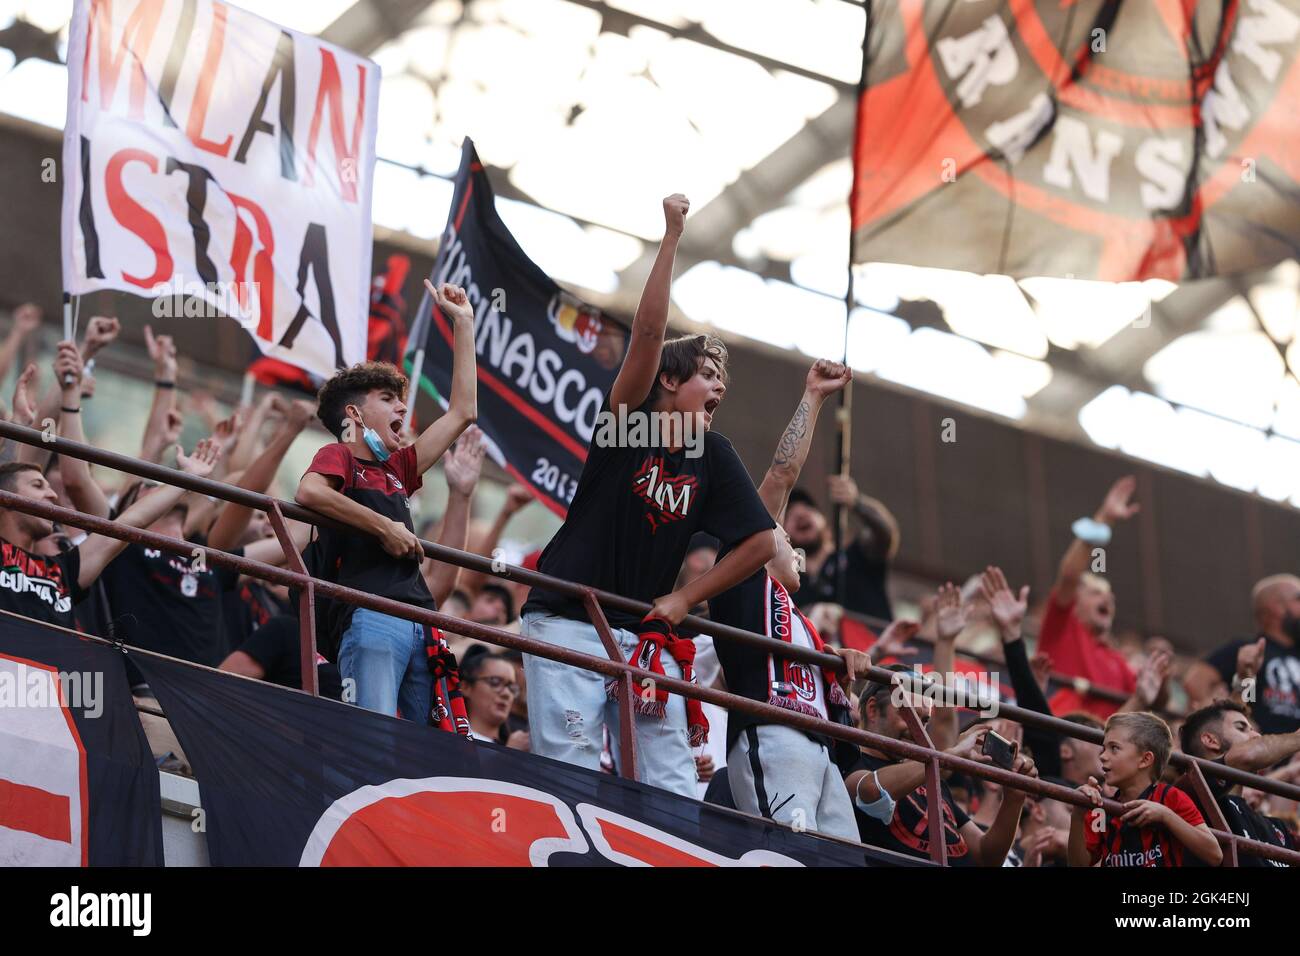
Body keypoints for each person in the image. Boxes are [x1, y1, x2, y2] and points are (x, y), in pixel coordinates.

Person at [520, 194, 777, 796]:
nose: (719, 388)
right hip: (567, 616)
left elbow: (761, 541)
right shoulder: (626, 424)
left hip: (646, 633)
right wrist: (672, 236)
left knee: (673, 781)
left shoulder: (715, 455)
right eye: (707, 375)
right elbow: (649, 331)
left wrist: (686, 598)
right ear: (667, 380)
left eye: (723, 381)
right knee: (573, 765)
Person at [294, 281, 478, 726]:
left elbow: (462, 412)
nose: (403, 408)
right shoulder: (340, 454)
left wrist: (464, 324)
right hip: (371, 618)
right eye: (389, 399)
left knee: (424, 754)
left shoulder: (399, 467)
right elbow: (309, 492)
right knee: (373, 738)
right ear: (354, 416)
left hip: (422, 625)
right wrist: (385, 526)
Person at [711, 358, 869, 839]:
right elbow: (781, 474)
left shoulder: (799, 619)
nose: (797, 550)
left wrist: (836, 664)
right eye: (784, 539)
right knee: (789, 852)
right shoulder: (741, 575)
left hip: (822, 748)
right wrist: (814, 397)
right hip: (773, 734)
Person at [0, 442, 219, 629]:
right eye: (37, 485)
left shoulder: (62, 570)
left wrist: (187, 477)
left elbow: (131, 522)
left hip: (45, 677)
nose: (53, 494)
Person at [842, 664, 1037, 865]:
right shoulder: (850, 759)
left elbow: (986, 856)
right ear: (873, 710)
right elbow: (869, 790)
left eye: (924, 720)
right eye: (907, 714)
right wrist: (948, 758)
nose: (916, 728)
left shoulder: (931, 774)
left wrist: (1014, 799)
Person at [1037, 475, 1139, 718]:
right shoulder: (1062, 629)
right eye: (1096, 593)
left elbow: (1149, 698)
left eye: (1111, 599)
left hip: (1103, 750)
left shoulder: (1119, 661)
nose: (1108, 601)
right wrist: (1104, 519)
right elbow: (1070, 575)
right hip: (1058, 734)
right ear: (1075, 605)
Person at [1068, 712, 1222, 867]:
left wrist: (1166, 816)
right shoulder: (1100, 810)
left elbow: (1214, 854)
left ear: (1145, 759)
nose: (1102, 756)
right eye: (1104, 748)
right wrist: (1078, 814)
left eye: (1114, 748)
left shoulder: (1172, 798)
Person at [1178, 700, 1296, 866]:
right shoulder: (1189, 794)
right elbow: (1246, 756)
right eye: (1241, 728)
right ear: (1211, 740)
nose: (1257, 736)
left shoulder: (1277, 827)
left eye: (1253, 730)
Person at [1184, 574, 1300, 733]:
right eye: (1298, 599)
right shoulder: (1248, 649)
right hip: (1258, 749)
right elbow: (1196, 682)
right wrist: (1235, 720)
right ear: (1276, 607)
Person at [784, 475, 899, 621]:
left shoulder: (857, 555)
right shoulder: (789, 583)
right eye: (789, 514)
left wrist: (857, 502)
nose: (800, 514)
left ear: (825, 523)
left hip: (871, 640)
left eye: (808, 507)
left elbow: (885, 534)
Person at [461, 649, 528, 748]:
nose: (506, 694)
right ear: (466, 687)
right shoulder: (450, 739)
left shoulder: (524, 744)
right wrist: (511, 754)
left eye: (512, 688)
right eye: (495, 682)